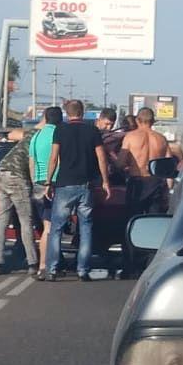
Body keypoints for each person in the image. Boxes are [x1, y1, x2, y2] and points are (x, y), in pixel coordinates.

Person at [44, 99, 111, 282]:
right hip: (86, 186)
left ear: (67, 113)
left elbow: (53, 157)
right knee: (86, 227)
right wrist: (105, 181)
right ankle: (83, 270)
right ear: (82, 112)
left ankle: (52, 269)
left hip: (64, 185)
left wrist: (48, 182)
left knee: (56, 228)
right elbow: (101, 158)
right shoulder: (92, 131)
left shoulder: (60, 130)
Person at [119, 107, 172, 278]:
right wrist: (168, 190)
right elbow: (169, 168)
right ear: (153, 121)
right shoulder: (162, 139)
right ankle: (152, 266)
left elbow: (120, 163)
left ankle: (131, 266)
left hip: (137, 182)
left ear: (137, 121)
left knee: (132, 223)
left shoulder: (130, 137)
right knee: (155, 224)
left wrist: (125, 168)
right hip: (156, 182)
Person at [0, 128, 38, 275]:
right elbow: (32, 164)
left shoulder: (31, 133)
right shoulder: (44, 139)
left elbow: (13, 134)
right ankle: (32, 263)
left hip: (1, 170)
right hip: (17, 176)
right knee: (26, 221)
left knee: (2, 219)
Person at [29, 106, 62, 277]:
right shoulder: (60, 134)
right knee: (53, 227)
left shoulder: (36, 136)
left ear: (45, 118)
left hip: (38, 184)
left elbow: (32, 162)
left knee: (46, 227)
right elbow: (58, 159)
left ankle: (44, 265)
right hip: (55, 183)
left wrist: (35, 182)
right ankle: (49, 265)